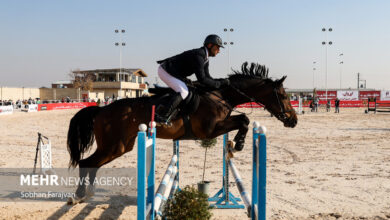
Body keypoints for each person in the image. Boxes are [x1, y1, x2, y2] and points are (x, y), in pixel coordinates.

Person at [155, 34, 230, 124]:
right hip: (165, 70)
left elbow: (208, 77)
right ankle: (163, 116)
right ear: (210, 45)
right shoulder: (199, 55)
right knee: (183, 91)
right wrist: (219, 84)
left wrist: (221, 81)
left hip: (174, 72)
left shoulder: (205, 58)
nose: (219, 51)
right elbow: (202, 79)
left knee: (188, 89)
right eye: (218, 47)